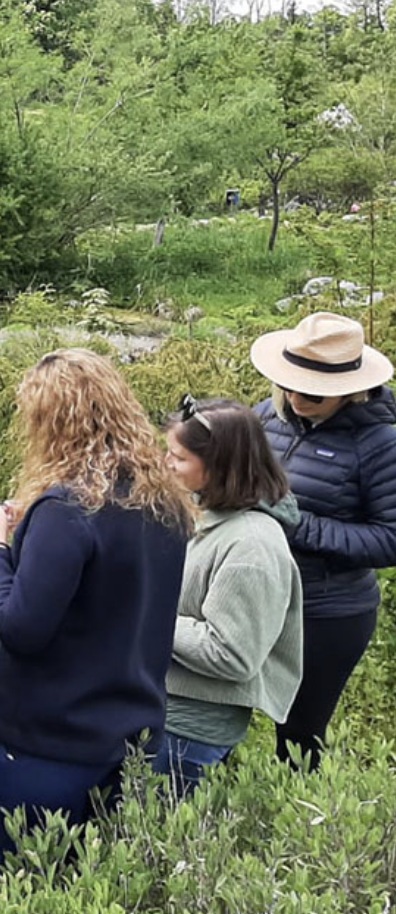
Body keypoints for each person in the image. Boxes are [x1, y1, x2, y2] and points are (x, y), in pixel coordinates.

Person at [0, 349, 193, 863]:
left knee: (33, 891)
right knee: (101, 893)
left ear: (50, 424)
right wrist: (35, 529)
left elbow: (20, 627)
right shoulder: (161, 500)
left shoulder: (67, 509)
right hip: (132, 735)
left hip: (50, 745)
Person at [249, 311, 396, 770]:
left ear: (349, 388)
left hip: (326, 612)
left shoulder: (381, 443)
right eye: (289, 382)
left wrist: (300, 526)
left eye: (312, 391)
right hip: (256, 595)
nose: (295, 396)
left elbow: (390, 539)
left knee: (297, 740)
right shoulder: (265, 416)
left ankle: (299, 831)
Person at [154, 396, 304, 796]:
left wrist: (147, 616)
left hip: (187, 733)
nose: (167, 464)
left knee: (150, 843)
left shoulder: (251, 547)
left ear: (219, 467)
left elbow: (233, 654)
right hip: (165, 713)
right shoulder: (210, 512)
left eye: (179, 458)